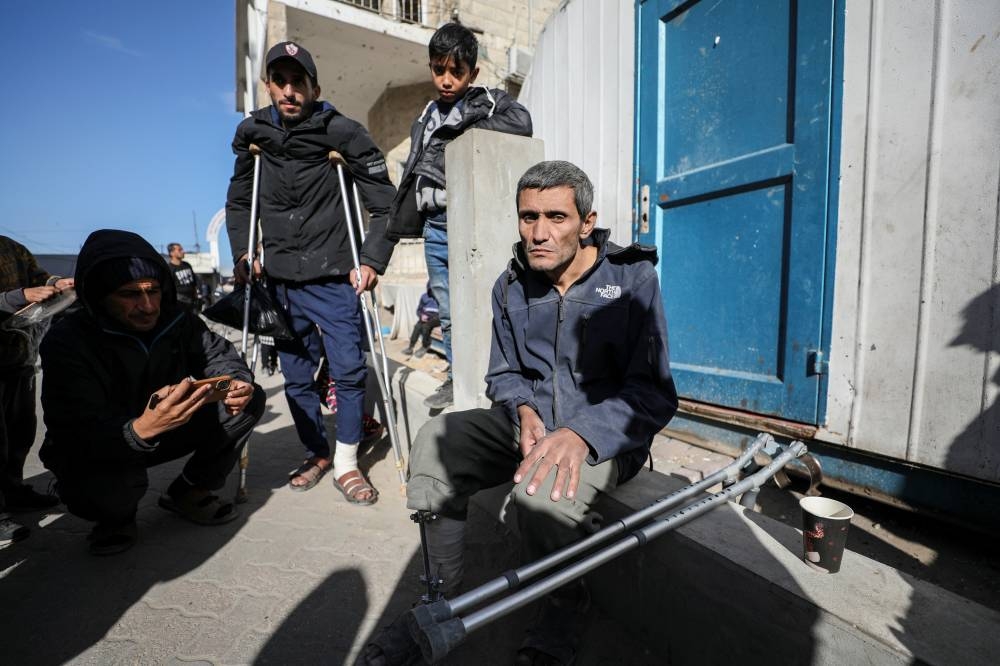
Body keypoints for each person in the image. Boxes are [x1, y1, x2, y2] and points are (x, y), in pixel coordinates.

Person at [363, 162, 678, 665]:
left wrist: (580, 432)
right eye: (528, 217)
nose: (539, 232)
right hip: (527, 426)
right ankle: (440, 596)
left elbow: (655, 391)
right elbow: (502, 374)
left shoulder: (631, 279)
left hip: (601, 436)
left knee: (542, 496)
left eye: (556, 217)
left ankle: (564, 603)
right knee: (437, 441)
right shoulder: (510, 285)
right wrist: (523, 407)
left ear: (587, 221)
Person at [225, 41, 397, 503]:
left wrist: (371, 261)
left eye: (297, 81)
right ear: (268, 86)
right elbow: (241, 201)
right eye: (279, 81)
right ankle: (316, 451)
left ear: (313, 87)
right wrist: (244, 253)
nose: (288, 90)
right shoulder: (253, 135)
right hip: (279, 281)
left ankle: (346, 462)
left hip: (334, 276)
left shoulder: (344, 132)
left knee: (347, 372)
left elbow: (385, 204)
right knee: (297, 377)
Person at [38, 230, 264, 555]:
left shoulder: (178, 320)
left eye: (153, 291)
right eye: (129, 294)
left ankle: (187, 491)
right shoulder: (68, 341)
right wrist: (141, 429)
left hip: (169, 426)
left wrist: (237, 381)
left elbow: (218, 355)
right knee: (112, 491)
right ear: (99, 295)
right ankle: (115, 517)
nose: (147, 306)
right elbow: (74, 428)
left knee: (249, 400)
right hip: (105, 442)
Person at [386, 22, 533, 409]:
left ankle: (492, 380)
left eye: (457, 71)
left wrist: (463, 128)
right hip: (435, 227)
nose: (447, 79)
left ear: (473, 73)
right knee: (447, 310)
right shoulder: (427, 114)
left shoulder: (486, 101)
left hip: (469, 222)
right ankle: (457, 377)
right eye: (439, 69)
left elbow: (522, 122)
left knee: (484, 307)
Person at [0, 236, 72, 545]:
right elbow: (23, 293)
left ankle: (13, 492)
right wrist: (18, 296)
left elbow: (39, 277)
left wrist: (57, 283)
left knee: (20, 431)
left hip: (18, 358)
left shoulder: (10, 247)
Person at [402, 282, 440, 358]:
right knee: (417, 326)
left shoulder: (440, 297)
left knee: (426, 326)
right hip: (425, 317)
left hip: (436, 318)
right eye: (430, 289)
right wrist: (421, 316)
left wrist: (433, 317)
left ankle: (425, 346)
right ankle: (411, 347)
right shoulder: (424, 297)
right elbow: (419, 310)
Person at [167, 243, 202, 314]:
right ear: (172, 253)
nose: (183, 251)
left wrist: (196, 297)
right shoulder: (169, 268)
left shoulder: (187, 265)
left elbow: (194, 283)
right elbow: (169, 287)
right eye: (179, 250)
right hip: (180, 301)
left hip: (192, 300)